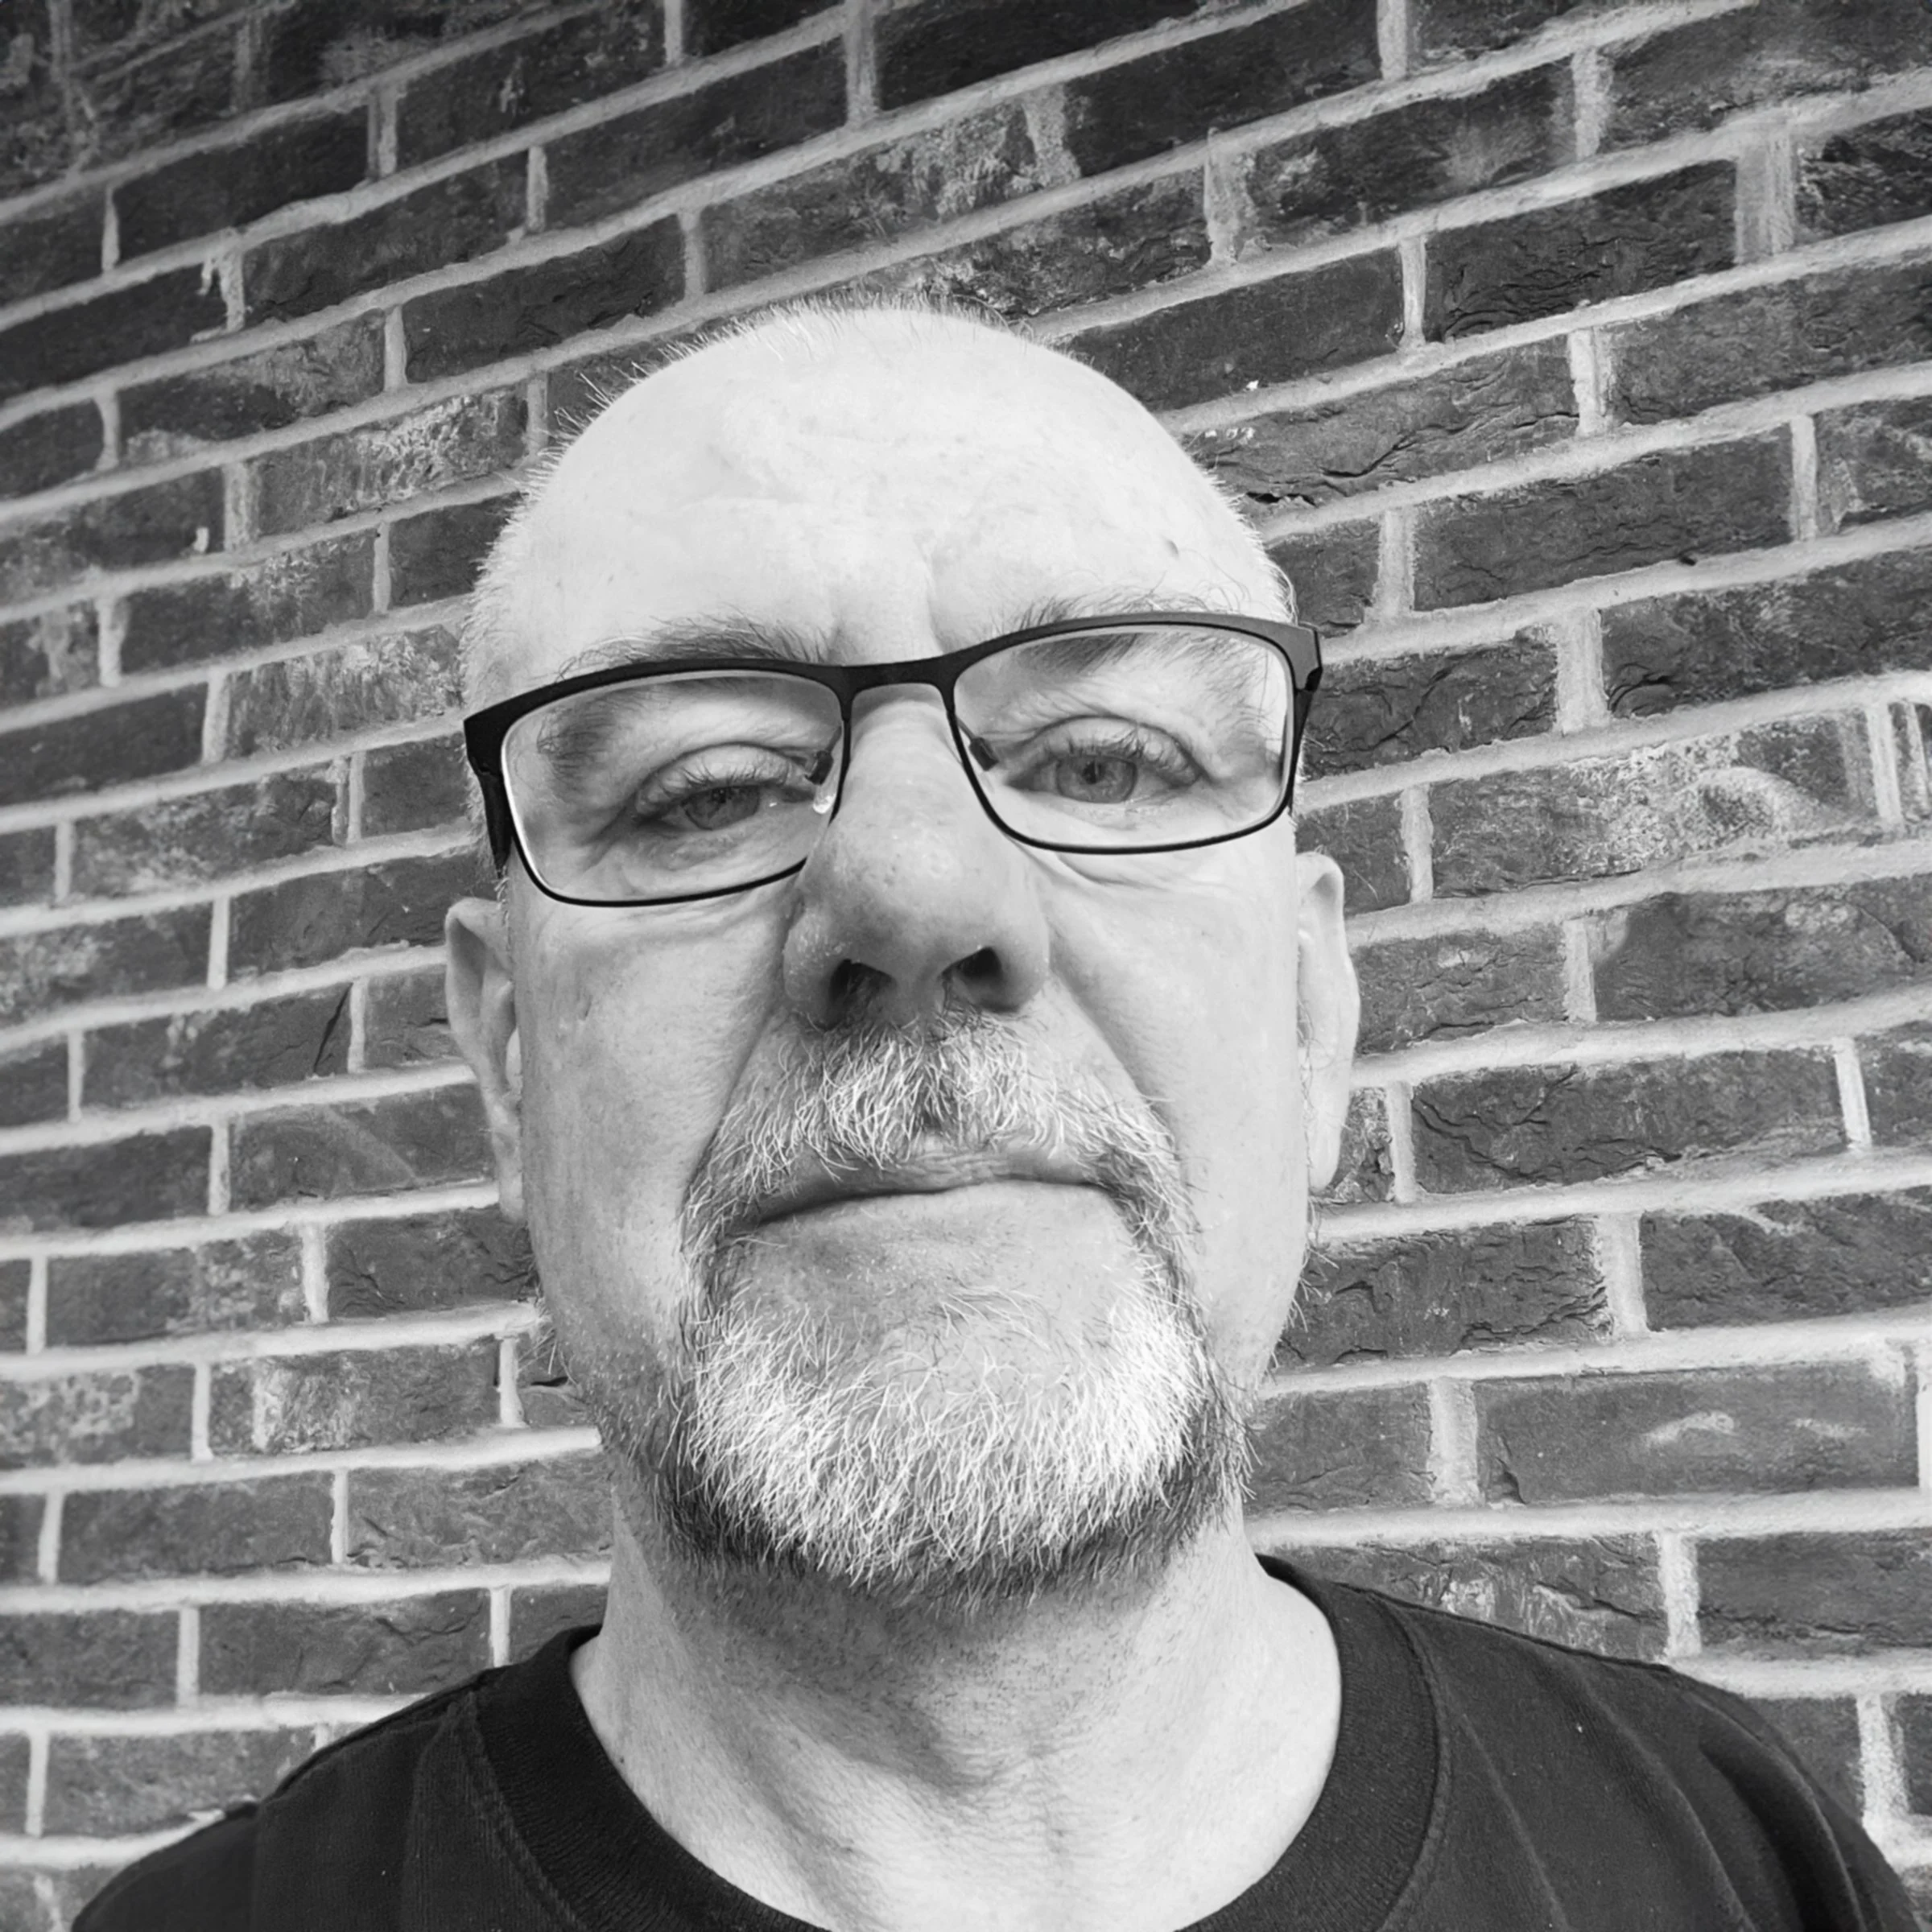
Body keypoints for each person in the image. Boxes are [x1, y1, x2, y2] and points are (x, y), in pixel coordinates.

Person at [80, 298, 1916, 1931]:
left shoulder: (1744, 1864)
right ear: (503, 1064)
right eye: (704, 791)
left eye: (1106, 763)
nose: (916, 889)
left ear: (1309, 1013)